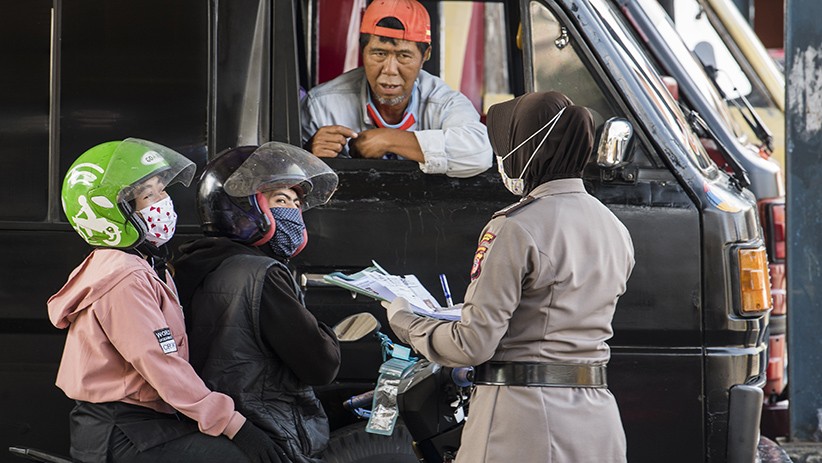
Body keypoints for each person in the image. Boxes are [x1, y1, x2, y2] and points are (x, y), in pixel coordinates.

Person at [382, 92, 635, 462]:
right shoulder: (614, 227)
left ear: (529, 150)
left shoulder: (515, 227)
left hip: (523, 420)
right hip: (597, 419)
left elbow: (472, 345)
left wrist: (405, 322)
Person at [48, 138, 285, 463]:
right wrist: (233, 425)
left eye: (162, 190)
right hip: (123, 432)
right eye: (149, 194)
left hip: (142, 423)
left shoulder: (144, 264)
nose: (164, 201)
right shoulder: (125, 277)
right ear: (112, 212)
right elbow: (159, 362)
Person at [173, 142, 342, 463]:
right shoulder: (262, 274)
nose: (292, 213)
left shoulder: (192, 264)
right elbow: (321, 366)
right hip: (266, 430)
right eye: (280, 200)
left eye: (296, 204)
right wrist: (328, 336)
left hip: (208, 427)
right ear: (244, 207)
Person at [300, 0, 493, 178]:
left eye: (404, 56)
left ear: (426, 55)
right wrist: (309, 154)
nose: (389, 70)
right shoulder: (321, 105)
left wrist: (388, 139)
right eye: (379, 54)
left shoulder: (442, 102)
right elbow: (285, 176)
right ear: (363, 50)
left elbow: (479, 153)